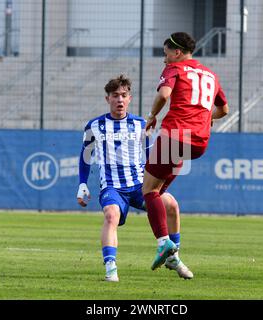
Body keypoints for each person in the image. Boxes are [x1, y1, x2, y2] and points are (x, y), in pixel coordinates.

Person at [77, 75, 193, 282]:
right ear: (107, 99)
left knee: (172, 206)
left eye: (123, 95)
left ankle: (173, 257)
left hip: (141, 185)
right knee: (111, 216)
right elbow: (85, 156)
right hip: (112, 187)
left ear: (129, 98)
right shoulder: (94, 126)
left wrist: (159, 182)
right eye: (115, 96)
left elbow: (150, 158)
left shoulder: (141, 124)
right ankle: (111, 268)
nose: (119, 100)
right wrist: (82, 184)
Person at [142, 32, 229, 270]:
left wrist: (152, 117)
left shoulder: (175, 68)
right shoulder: (211, 74)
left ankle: (164, 244)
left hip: (175, 135)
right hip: (199, 142)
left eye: (166, 53)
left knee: (148, 190)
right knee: (158, 192)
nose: (165, 59)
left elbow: (164, 94)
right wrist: (204, 117)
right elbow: (224, 109)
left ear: (177, 52)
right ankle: (173, 258)